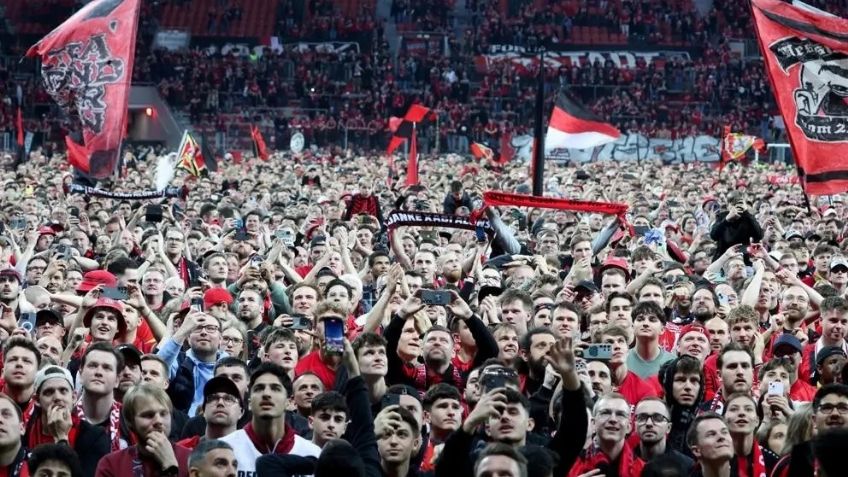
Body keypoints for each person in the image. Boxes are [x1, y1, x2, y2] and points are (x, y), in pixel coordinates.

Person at [220, 363, 321, 476]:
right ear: (249, 403)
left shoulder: (313, 454)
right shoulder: (224, 449)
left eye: (275, 389)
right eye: (259, 389)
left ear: (289, 402)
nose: (266, 394)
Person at [25, 365, 111, 477]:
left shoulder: (94, 436)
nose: (57, 397)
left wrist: (61, 437)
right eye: (49, 392)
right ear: (36, 400)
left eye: (63, 391)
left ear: (74, 397)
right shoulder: (24, 432)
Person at [95, 384, 191, 477]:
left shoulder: (191, 459)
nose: (158, 421)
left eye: (163, 414)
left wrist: (170, 467)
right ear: (130, 421)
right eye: (148, 415)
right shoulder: (111, 465)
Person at [158, 312, 227, 415]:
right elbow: (156, 368)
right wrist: (182, 332)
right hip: (181, 426)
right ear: (188, 339)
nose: (204, 332)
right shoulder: (178, 361)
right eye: (197, 328)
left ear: (220, 339)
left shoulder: (231, 367)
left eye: (211, 328)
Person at [771, 384, 848, 477]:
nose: (835, 414)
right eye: (827, 408)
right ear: (814, 420)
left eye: (843, 408)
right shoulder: (793, 461)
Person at [75, 342, 125, 451]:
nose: (98, 372)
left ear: (117, 380)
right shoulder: (65, 416)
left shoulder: (130, 420)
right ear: (81, 373)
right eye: (93, 365)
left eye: (106, 368)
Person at [177, 377, 244, 450]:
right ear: (204, 411)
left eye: (229, 399)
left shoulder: (251, 452)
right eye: (213, 398)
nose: (220, 403)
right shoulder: (182, 449)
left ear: (241, 412)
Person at [632, 397, 694, 470]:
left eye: (658, 418)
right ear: (635, 425)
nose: (649, 423)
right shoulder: (624, 462)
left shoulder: (686, 466)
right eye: (642, 417)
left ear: (669, 427)